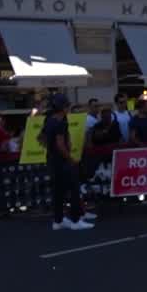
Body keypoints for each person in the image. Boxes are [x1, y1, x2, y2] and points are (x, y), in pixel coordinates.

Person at [43, 94, 96, 231]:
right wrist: (70, 158)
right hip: (62, 161)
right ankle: (75, 220)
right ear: (62, 107)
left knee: (58, 192)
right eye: (67, 105)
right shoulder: (60, 122)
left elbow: (42, 138)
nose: (68, 108)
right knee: (73, 189)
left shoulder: (49, 120)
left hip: (52, 160)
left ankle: (58, 220)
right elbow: (60, 145)